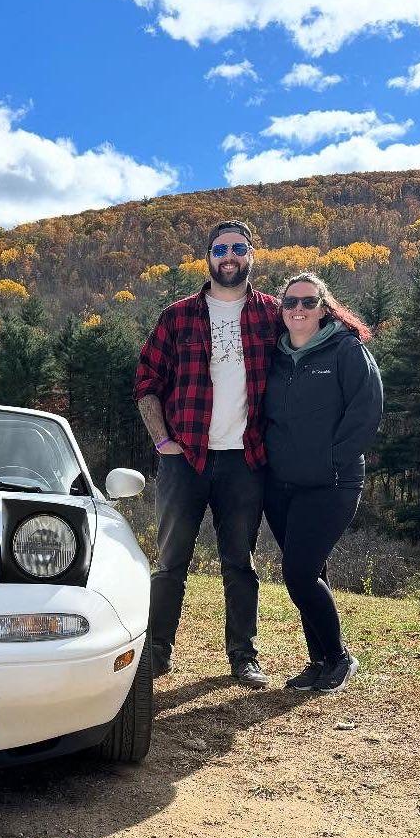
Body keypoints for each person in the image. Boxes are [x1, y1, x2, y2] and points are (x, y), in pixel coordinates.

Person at [134, 221, 280, 687]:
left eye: (238, 248)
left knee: (240, 563)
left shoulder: (272, 314)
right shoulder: (177, 316)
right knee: (170, 561)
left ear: (251, 255)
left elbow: (313, 332)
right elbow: (146, 382)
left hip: (245, 460)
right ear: (209, 258)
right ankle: (156, 653)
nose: (229, 256)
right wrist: (162, 441)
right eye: (220, 249)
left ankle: (244, 656)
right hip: (185, 459)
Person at [262, 272, 384, 694]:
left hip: (332, 483)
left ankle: (339, 657)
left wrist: (332, 459)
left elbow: (367, 409)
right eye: (290, 302)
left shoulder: (345, 349)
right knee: (311, 572)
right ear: (281, 309)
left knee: (298, 574)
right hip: (281, 485)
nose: (298, 309)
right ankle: (318, 662)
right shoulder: (275, 355)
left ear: (323, 308)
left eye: (308, 302)